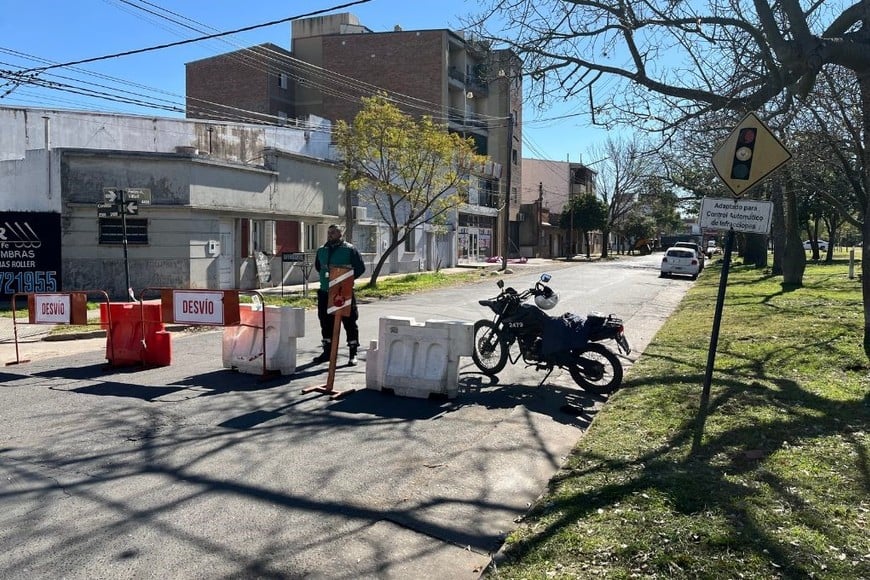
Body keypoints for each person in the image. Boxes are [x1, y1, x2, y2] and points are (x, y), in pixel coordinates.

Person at [312, 224, 366, 365]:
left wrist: (346, 281)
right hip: (325, 292)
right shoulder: (321, 250)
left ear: (341, 234)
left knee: (349, 321)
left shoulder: (349, 249)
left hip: (344, 292)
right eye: (329, 232)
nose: (330, 235)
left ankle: (352, 353)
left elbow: (360, 268)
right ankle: (327, 352)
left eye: (334, 232)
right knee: (325, 322)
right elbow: (319, 267)